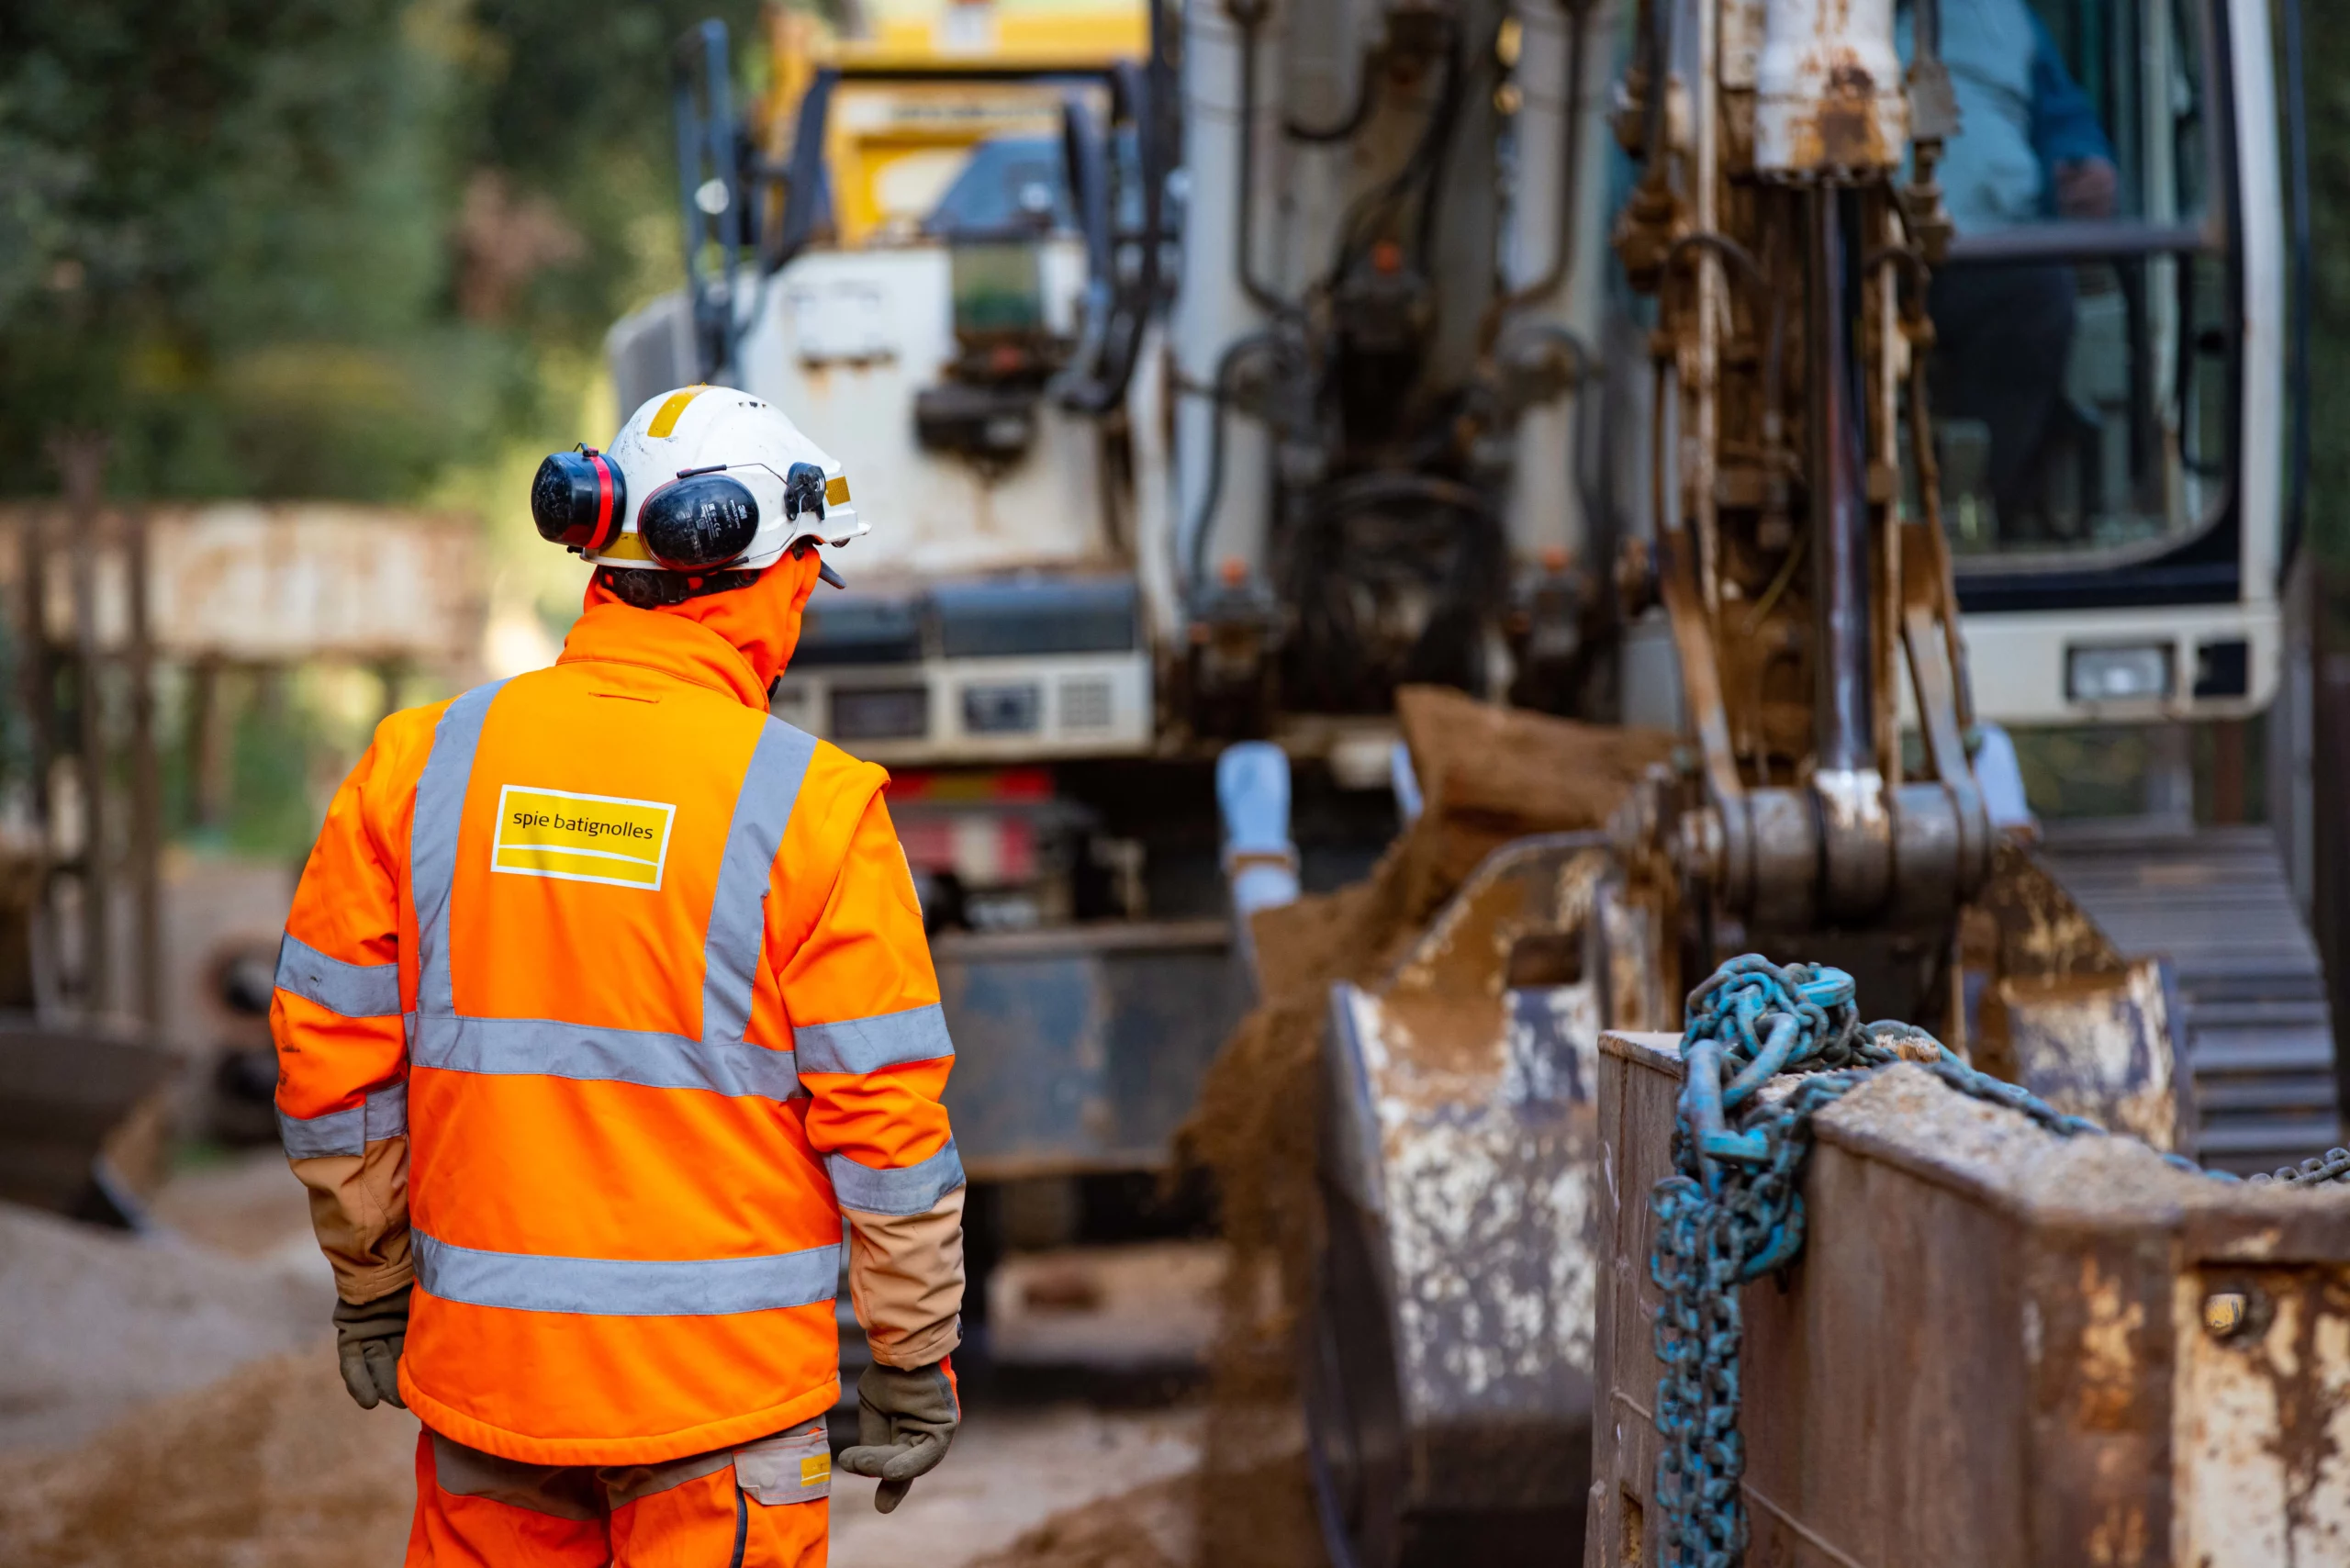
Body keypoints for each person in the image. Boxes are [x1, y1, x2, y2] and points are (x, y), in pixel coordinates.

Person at [270, 385, 966, 1566]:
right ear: (776, 577)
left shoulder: (419, 764)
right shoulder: (814, 810)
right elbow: (886, 1129)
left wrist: (375, 1280)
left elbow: (328, 1068)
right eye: (807, 580)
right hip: (723, 1409)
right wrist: (911, 1355)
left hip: (493, 1392)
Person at [1905, 0, 2121, 533]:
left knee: (2043, 295)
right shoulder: (1821, 21)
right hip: (1867, 255)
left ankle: (1989, 507)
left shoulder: (2007, 19)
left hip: (1996, 254)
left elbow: (2065, 121)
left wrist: (2085, 166)